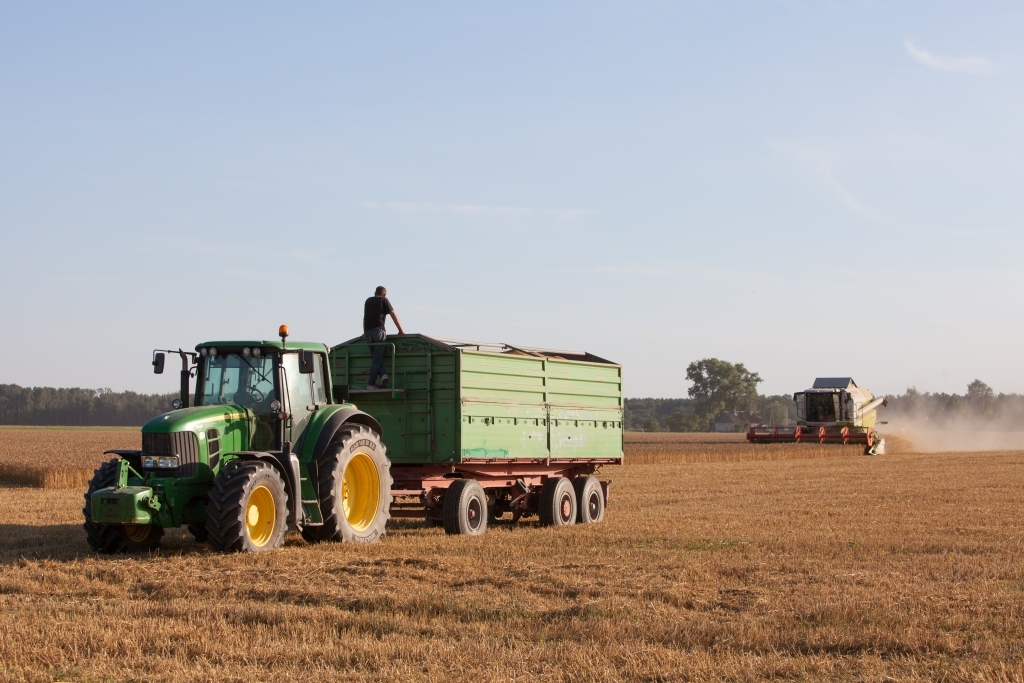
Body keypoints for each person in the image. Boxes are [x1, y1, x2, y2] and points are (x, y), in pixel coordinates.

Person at [363, 286, 404, 389]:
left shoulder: (368, 301)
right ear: (384, 294)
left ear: (374, 293)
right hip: (378, 331)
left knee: (376, 357)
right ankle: (371, 384)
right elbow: (393, 314)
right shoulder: (384, 300)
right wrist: (401, 330)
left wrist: (364, 331)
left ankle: (383, 375)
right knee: (377, 359)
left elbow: (364, 317)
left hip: (367, 332)